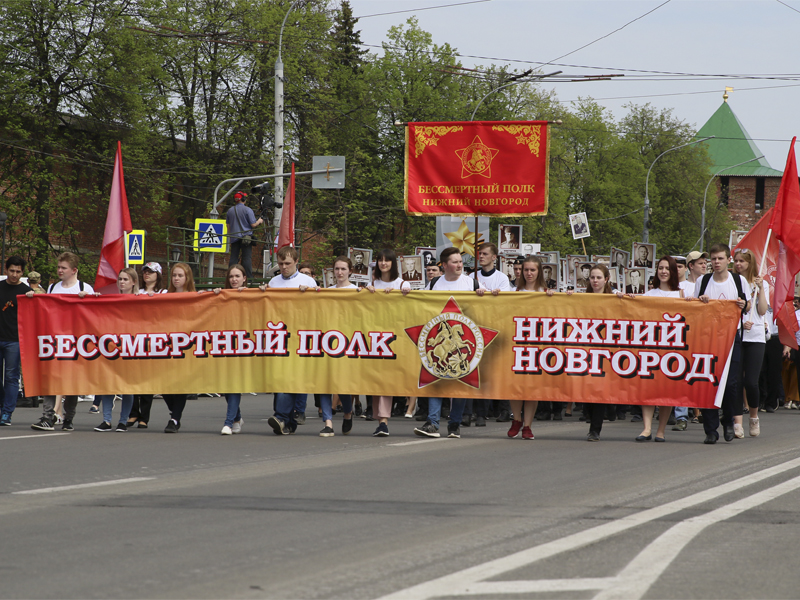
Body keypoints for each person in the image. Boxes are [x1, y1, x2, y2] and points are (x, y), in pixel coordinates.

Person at [414, 247, 486, 439]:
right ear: (444, 265)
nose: (459, 265)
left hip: (466, 337)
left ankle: (454, 424)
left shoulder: (472, 283)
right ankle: (432, 422)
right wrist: (406, 290)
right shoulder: (435, 283)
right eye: (454, 262)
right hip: (440, 337)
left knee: (460, 383)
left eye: (460, 262)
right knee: (436, 379)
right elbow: (418, 302)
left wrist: (485, 294)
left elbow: (488, 308)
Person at [30, 252, 95, 431]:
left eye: (63, 268)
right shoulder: (52, 288)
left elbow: (96, 314)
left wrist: (89, 299)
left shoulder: (84, 287)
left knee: (72, 383)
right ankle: (48, 417)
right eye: (58, 267)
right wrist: (31, 297)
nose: (59, 270)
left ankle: (69, 418)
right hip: (55, 341)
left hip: (77, 343)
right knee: (52, 380)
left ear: (74, 270)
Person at [695, 243, 751, 445]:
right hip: (708, 338)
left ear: (728, 260)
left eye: (720, 258)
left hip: (731, 337)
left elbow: (748, 304)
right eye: (713, 259)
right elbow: (694, 309)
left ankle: (728, 420)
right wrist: (700, 302)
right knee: (709, 381)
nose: (716, 262)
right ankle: (710, 430)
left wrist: (743, 305)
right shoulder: (703, 281)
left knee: (732, 382)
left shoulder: (738, 280)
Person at [263, 246, 317, 435]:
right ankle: (286, 421)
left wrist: (310, 292)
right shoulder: (274, 282)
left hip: (301, 337)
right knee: (281, 380)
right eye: (280, 263)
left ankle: (282, 417)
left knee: (291, 379)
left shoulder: (308, 281)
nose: (284, 267)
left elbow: (319, 305)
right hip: (279, 337)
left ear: (295, 262)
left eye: (287, 263)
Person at [631, 256, 682, 443]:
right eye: (660, 268)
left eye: (667, 268)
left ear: (673, 271)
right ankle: (646, 428)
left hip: (672, 350)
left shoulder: (682, 295)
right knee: (648, 390)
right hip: (650, 350)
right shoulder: (649, 295)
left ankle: (661, 430)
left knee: (667, 392)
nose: (663, 271)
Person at [507, 256, 555, 440]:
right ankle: (516, 419)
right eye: (526, 269)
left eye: (532, 270)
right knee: (515, 385)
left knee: (532, 387)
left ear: (539, 272)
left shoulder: (546, 292)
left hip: (537, 345)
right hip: (516, 344)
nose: (528, 273)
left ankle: (527, 425)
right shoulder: (512, 291)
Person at [367, 249, 411, 436]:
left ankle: (384, 419)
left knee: (387, 379)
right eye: (380, 260)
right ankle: (380, 419)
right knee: (376, 379)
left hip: (395, 339)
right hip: (374, 337)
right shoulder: (372, 283)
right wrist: (366, 293)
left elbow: (411, 305)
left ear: (393, 263)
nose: (383, 263)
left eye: (387, 260)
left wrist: (404, 293)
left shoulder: (402, 283)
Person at [315, 256, 359, 437]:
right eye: (337, 269)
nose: (339, 272)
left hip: (348, 343)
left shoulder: (356, 291)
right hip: (328, 341)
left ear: (350, 271)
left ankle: (348, 412)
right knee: (325, 383)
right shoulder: (327, 291)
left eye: (343, 269)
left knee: (343, 384)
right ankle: (328, 422)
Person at [94, 268, 138, 432]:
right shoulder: (110, 299)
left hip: (130, 347)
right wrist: (96, 299)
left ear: (133, 282)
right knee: (108, 384)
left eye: (126, 279)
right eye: (120, 279)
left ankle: (123, 421)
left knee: (127, 387)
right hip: (112, 347)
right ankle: (106, 420)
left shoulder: (139, 300)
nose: (122, 282)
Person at [473, 243, 512, 426]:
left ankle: (504, 409)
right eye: (480, 254)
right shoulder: (472, 277)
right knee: (481, 372)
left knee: (498, 371)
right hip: (477, 327)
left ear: (494, 257)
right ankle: (480, 413)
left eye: (485, 254)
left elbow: (506, 303)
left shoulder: (502, 279)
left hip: (497, 328)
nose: (481, 257)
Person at [733, 248, 767, 438]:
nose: (738, 264)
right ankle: (737, 422)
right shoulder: (732, 282)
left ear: (750, 263)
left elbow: (762, 311)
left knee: (751, 382)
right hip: (737, 335)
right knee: (736, 380)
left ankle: (753, 417)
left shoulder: (760, 283)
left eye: (742, 261)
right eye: (736, 261)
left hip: (755, 337)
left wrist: (761, 289)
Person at [162, 263, 197, 433]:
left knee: (180, 384)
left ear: (187, 278)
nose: (176, 278)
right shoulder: (164, 295)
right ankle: (174, 410)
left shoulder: (194, 296)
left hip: (185, 346)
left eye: (180, 276)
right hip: (167, 346)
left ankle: (175, 419)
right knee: (164, 384)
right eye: (174, 275)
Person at [583, 264, 614, 441]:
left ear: (606, 279)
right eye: (592, 278)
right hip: (586, 349)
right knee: (587, 389)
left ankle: (595, 429)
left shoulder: (613, 298)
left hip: (606, 350)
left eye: (598, 278)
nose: (595, 281)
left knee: (599, 390)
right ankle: (593, 414)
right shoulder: (583, 298)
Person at [0, 257, 32, 426]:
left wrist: (32, 298)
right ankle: (2, 407)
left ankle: (7, 413)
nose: (14, 274)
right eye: (12, 270)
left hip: (14, 340)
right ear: (6, 269)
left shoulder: (25, 291)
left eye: (18, 271)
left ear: (22, 272)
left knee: (11, 377)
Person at [226, 191, 263, 279]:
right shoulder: (247, 210)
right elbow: (253, 224)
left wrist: (231, 236)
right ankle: (248, 277)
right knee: (246, 258)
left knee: (233, 258)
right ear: (243, 199)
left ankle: (230, 275)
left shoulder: (230, 211)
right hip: (246, 238)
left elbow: (228, 226)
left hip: (234, 237)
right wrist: (259, 221)